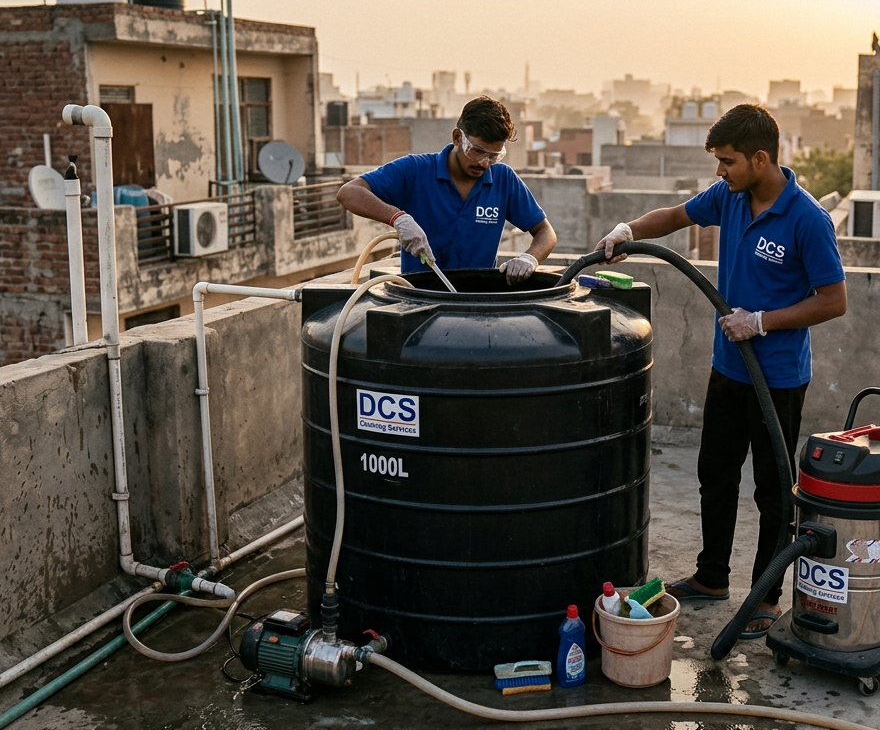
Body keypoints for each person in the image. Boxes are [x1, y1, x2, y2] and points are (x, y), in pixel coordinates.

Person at [596, 104, 847, 637]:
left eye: (728, 161)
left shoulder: (807, 219)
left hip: (777, 377)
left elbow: (834, 300)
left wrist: (762, 321)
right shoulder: (729, 197)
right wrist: (626, 230)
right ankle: (712, 577)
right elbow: (675, 216)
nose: (720, 171)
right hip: (729, 368)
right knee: (715, 474)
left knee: (772, 491)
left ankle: (765, 596)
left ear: (761, 159)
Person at [336, 96, 556, 283]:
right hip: (419, 297)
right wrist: (398, 219)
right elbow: (349, 193)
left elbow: (546, 233)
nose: (484, 162)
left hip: (479, 298)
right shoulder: (416, 170)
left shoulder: (503, 179)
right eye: (477, 151)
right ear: (457, 137)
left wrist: (529, 258)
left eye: (493, 155)